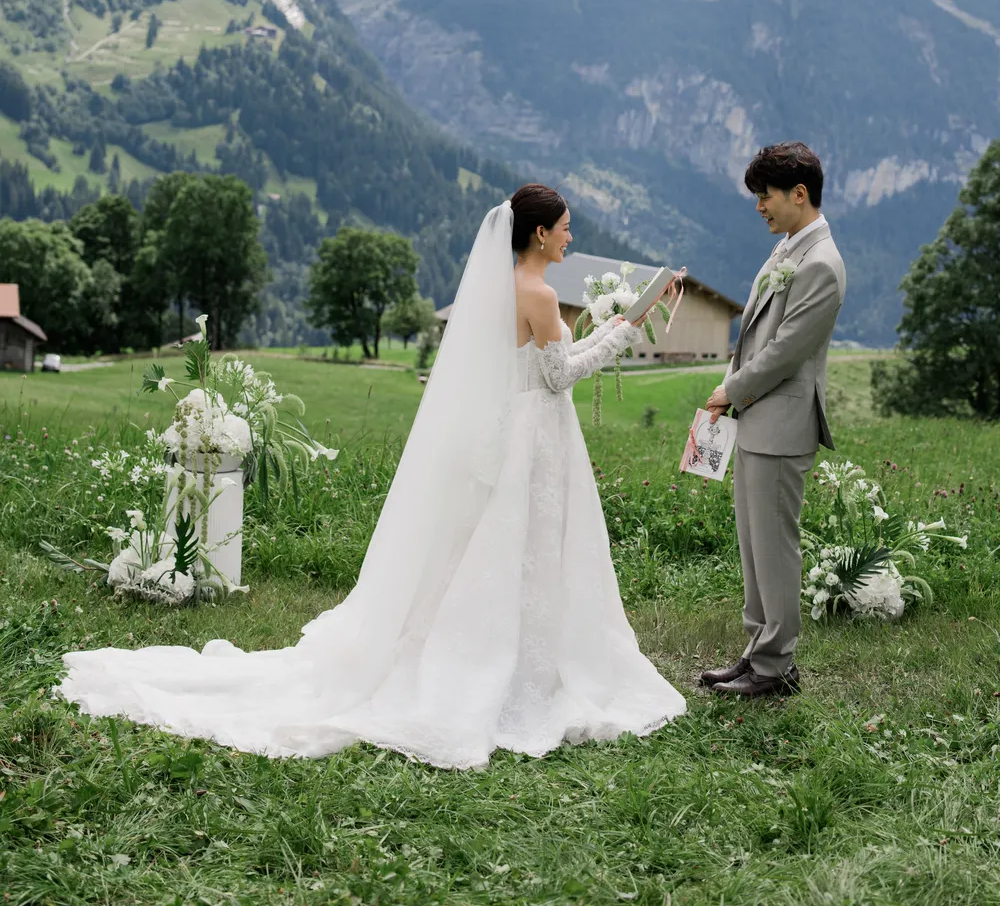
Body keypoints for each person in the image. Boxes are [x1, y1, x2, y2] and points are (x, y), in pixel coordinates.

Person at [58, 185, 685, 768]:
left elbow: (543, 363)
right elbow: (558, 376)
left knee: (498, 546)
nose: (571, 238)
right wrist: (624, 333)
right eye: (566, 228)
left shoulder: (505, 288)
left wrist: (610, 326)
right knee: (534, 546)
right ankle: (526, 666)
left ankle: (496, 652)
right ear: (540, 234)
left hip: (516, 431)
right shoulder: (540, 294)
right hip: (537, 436)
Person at [699, 142, 846, 700]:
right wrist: (732, 391)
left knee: (775, 548)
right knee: (754, 545)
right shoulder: (787, 248)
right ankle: (758, 651)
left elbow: (785, 351)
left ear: (799, 194)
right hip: (758, 419)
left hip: (783, 425)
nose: (759, 206)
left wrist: (731, 390)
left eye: (766, 196)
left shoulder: (821, 264)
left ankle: (776, 667)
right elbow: (755, 333)